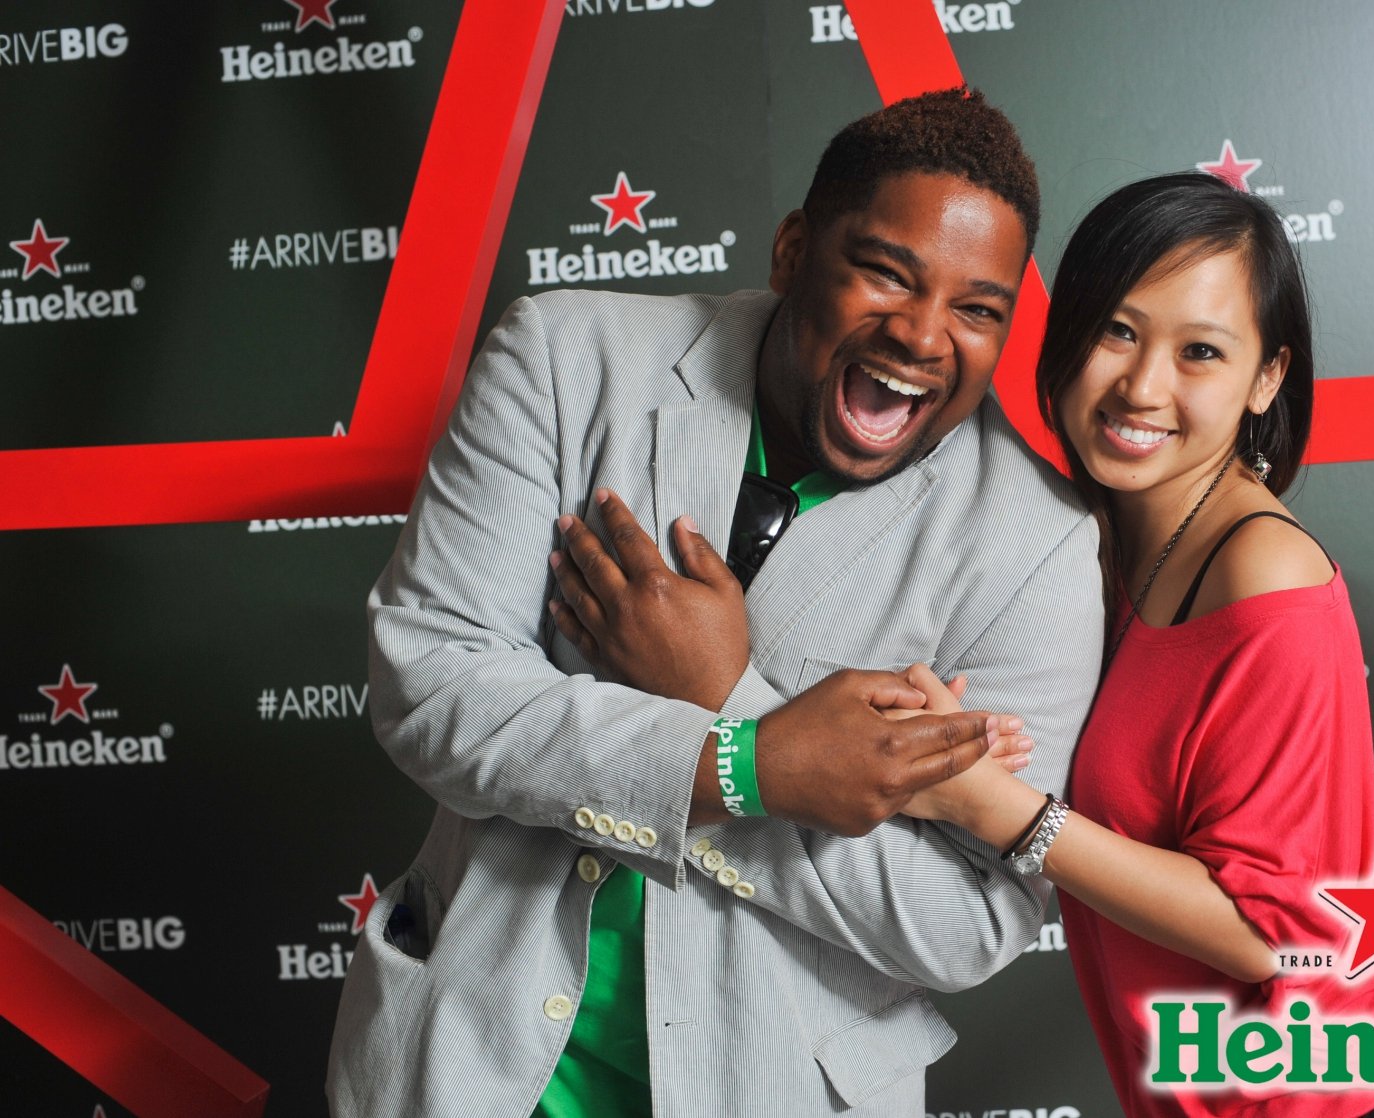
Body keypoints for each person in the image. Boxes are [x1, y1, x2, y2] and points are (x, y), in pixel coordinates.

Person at [325, 88, 1104, 1118]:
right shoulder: (565, 357)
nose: (923, 334)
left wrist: (728, 701)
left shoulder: (1036, 542)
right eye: (886, 272)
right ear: (793, 251)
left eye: (977, 309)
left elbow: (969, 922)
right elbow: (432, 688)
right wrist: (751, 764)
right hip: (475, 1064)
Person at [899, 172, 1374, 1116]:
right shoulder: (1098, 537)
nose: (1142, 386)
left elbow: (1268, 933)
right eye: (1117, 331)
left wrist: (1000, 810)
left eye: (1199, 351)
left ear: (1266, 378)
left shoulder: (1265, 576)